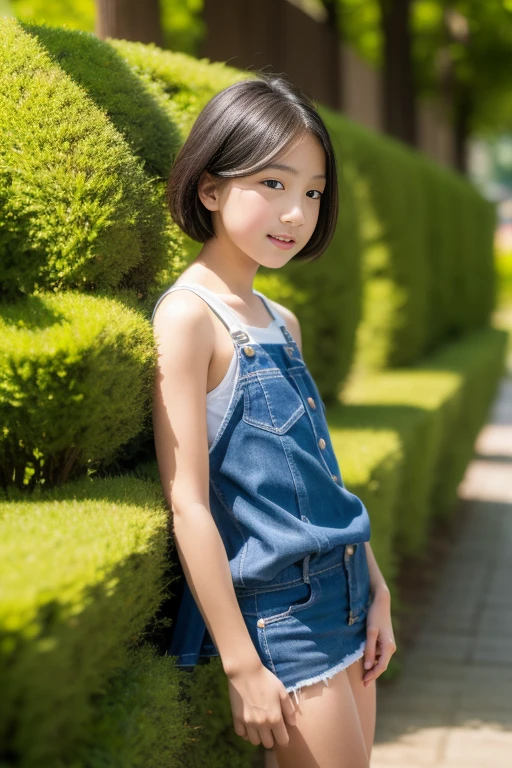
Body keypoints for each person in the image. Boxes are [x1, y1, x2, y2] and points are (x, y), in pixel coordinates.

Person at [151, 74, 396, 768]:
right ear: (210, 187)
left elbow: (322, 474)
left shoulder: (279, 321)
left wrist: (375, 587)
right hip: (285, 617)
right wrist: (241, 664)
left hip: (348, 592)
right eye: (274, 184)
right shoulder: (188, 318)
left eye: (313, 192)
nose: (296, 213)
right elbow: (190, 505)